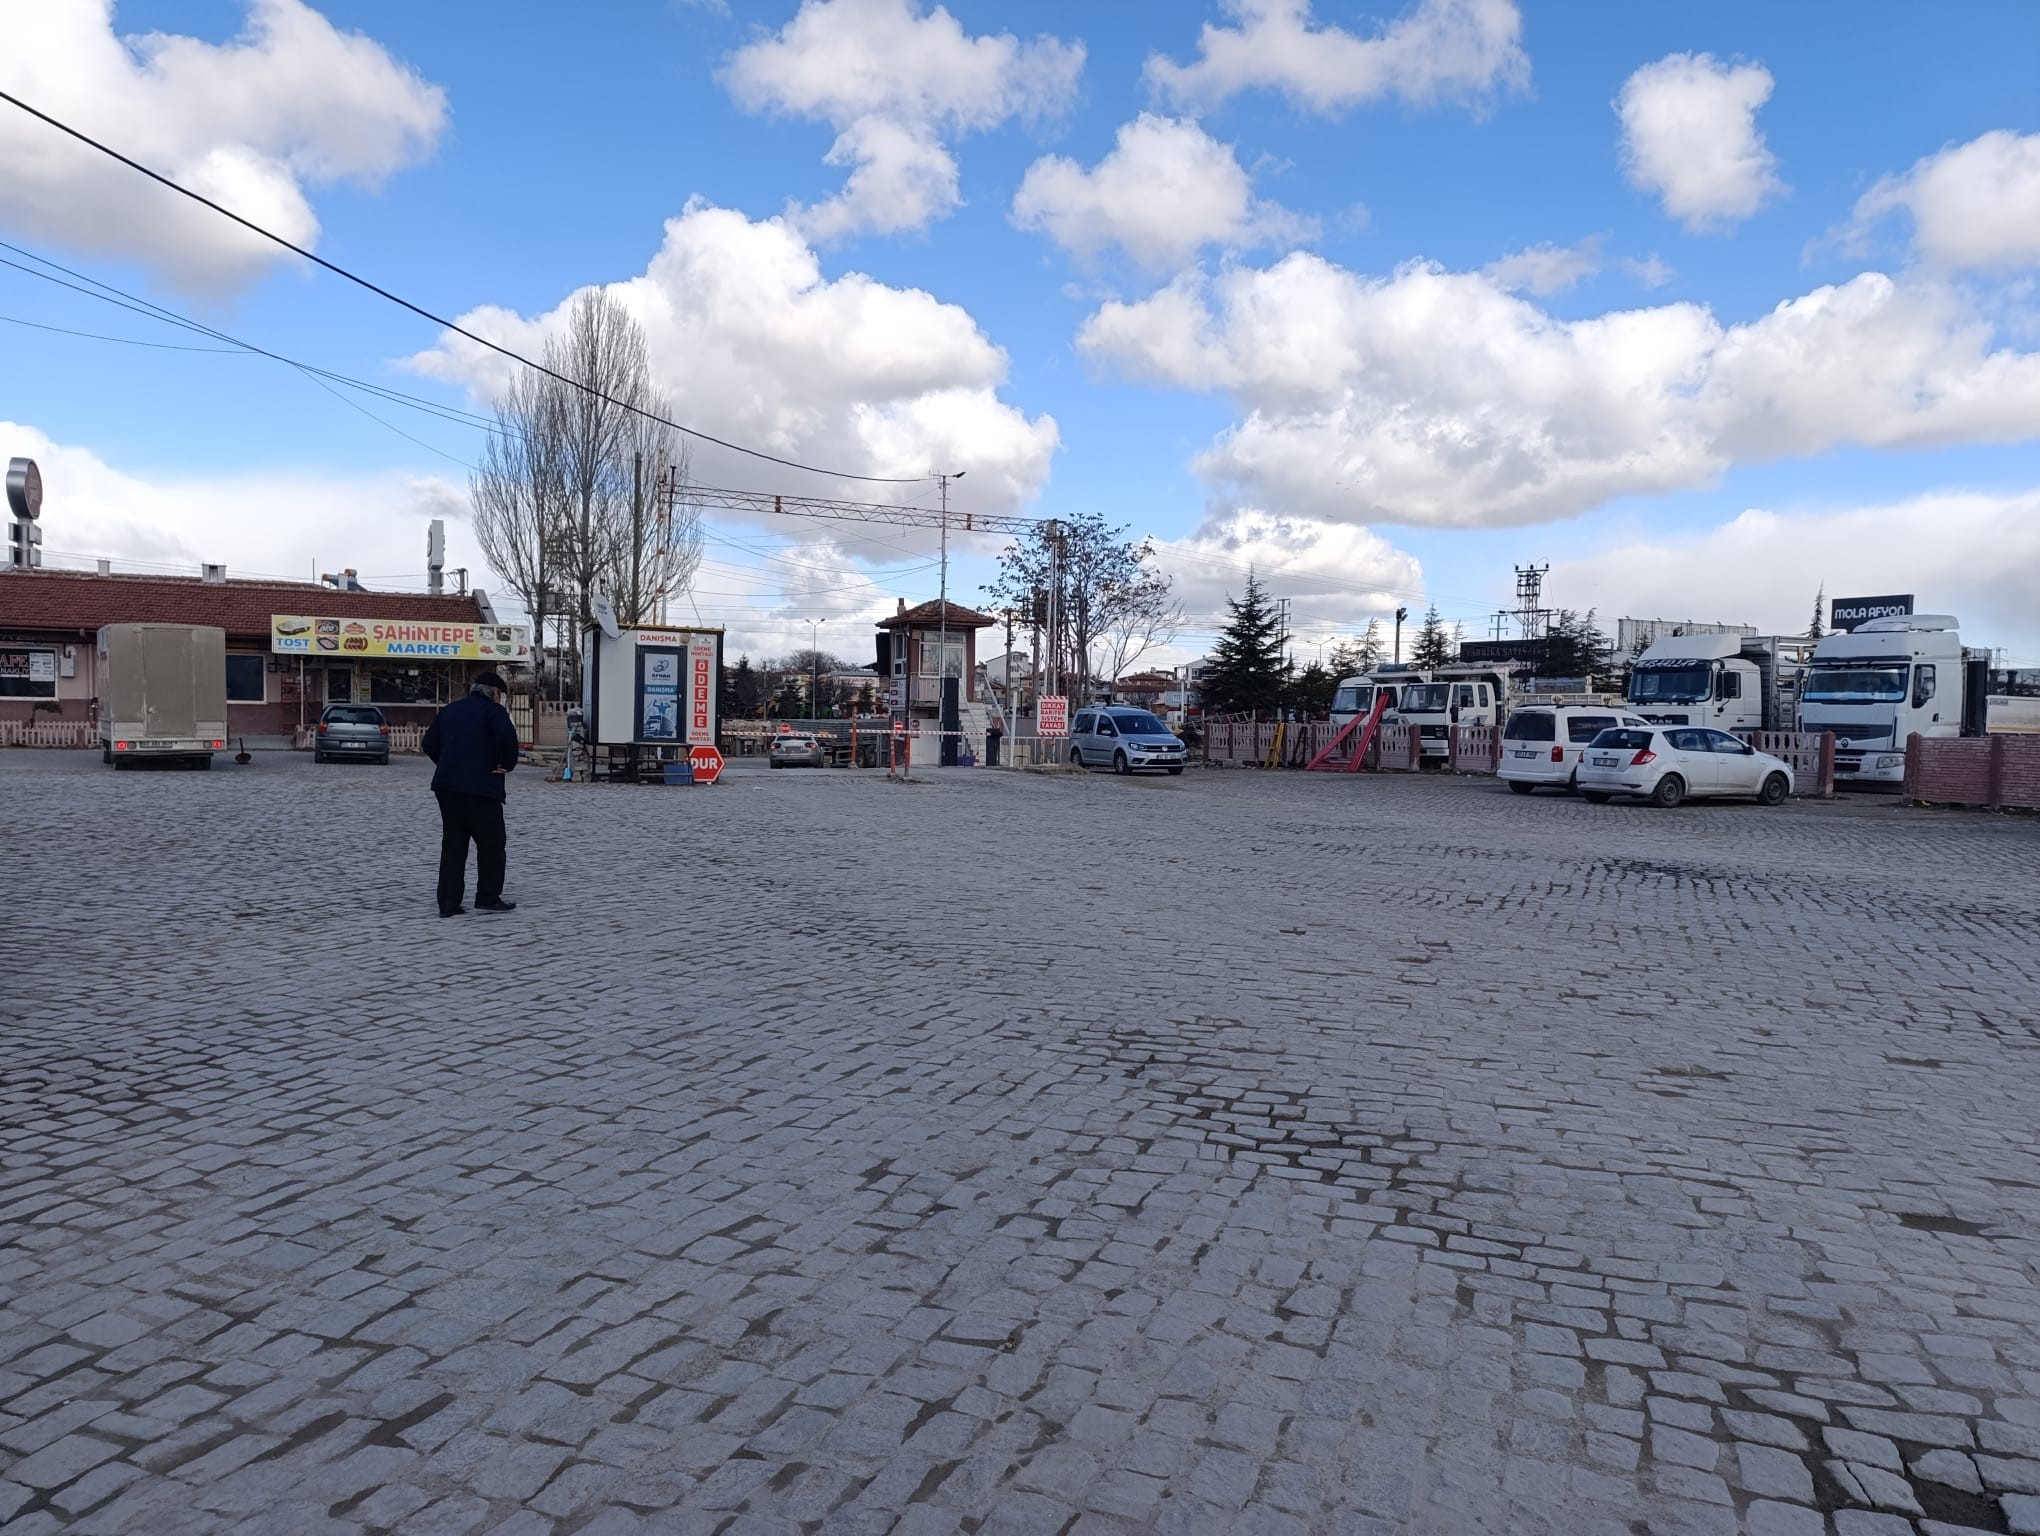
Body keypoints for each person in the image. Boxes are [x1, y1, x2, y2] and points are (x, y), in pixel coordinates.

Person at [422, 670, 520, 917]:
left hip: (447, 787)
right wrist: (506, 764)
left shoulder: (450, 710)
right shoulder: (493, 711)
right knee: (492, 844)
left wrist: (447, 765)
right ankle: (488, 896)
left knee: (453, 845)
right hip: (482, 789)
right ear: (495, 693)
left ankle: (448, 903)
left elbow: (428, 743)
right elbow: (507, 736)